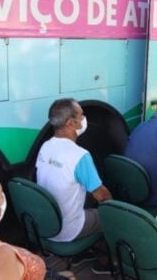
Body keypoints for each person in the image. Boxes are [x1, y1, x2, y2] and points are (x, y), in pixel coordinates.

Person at [36, 98, 112, 274]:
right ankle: (103, 262)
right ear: (71, 123)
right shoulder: (80, 156)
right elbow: (101, 195)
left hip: (47, 224)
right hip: (69, 229)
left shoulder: (45, 147)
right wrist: (113, 205)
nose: (84, 118)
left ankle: (81, 254)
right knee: (109, 216)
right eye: (81, 115)